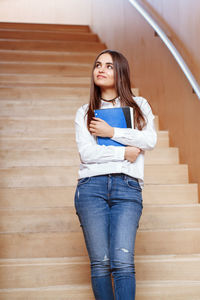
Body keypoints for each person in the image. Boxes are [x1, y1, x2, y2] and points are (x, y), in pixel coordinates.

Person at [74, 49, 157, 300]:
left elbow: (150, 140)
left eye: (109, 66)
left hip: (127, 188)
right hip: (91, 188)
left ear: (120, 71)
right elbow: (87, 154)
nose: (100, 69)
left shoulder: (139, 105)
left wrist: (112, 132)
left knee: (122, 263)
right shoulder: (84, 111)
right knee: (100, 264)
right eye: (98, 64)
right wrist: (124, 154)